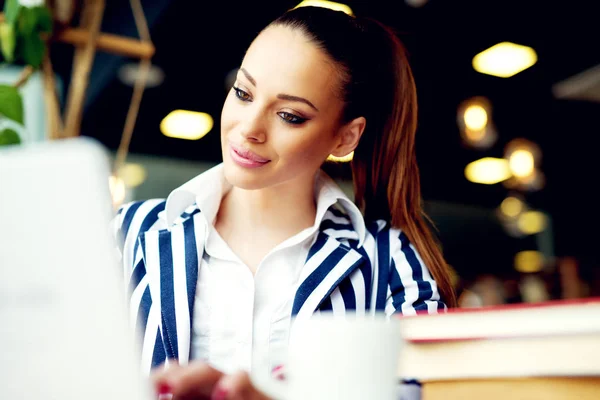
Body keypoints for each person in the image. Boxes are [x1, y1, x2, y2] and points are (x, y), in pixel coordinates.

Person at [112, 5, 456, 400]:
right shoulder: (128, 235)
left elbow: (433, 392)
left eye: (290, 116)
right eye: (243, 93)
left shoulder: (390, 262)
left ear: (346, 137)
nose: (249, 128)